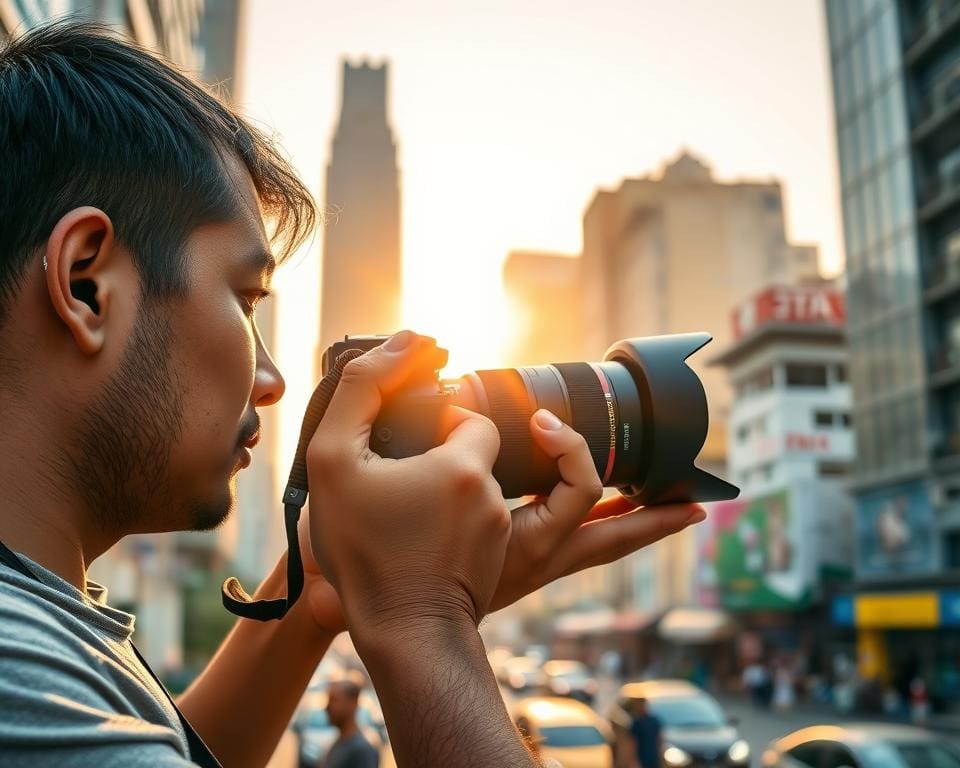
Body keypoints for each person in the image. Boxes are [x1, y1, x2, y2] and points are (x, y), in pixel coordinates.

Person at [0, 20, 705, 768]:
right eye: (245, 299)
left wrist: (317, 592)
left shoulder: (46, 640)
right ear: (86, 284)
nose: (271, 383)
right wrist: (424, 622)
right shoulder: (22, 680)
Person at [322, 680, 378, 768]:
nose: (327, 707)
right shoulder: (338, 744)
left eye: (333, 700)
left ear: (352, 703)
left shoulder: (362, 751)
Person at [628, 698, 662, 768]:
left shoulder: (654, 720)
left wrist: (659, 754)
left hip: (653, 756)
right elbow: (633, 742)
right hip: (642, 756)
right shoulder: (637, 722)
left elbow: (659, 738)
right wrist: (633, 760)